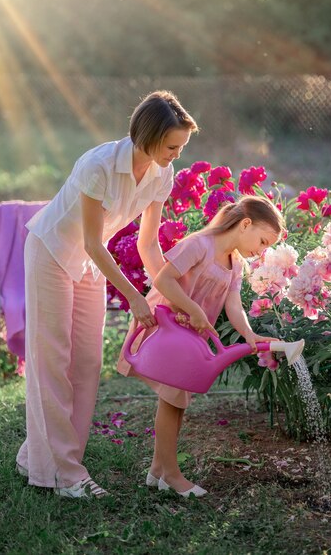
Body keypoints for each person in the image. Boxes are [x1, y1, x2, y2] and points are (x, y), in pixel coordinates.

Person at [16, 90, 198, 498]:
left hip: (88, 264)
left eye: (182, 147)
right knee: (53, 360)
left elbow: (147, 246)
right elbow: (95, 243)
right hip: (51, 252)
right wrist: (133, 297)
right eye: (172, 146)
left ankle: (43, 458)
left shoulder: (161, 174)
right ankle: (66, 474)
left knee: (87, 363)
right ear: (147, 136)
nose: (176, 155)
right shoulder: (98, 164)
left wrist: (165, 293)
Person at [117, 195, 285, 497]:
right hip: (166, 329)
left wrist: (249, 335)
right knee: (173, 399)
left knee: (177, 400)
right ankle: (170, 473)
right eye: (262, 242)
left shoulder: (235, 263)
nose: (261, 252)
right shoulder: (200, 244)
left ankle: (158, 469)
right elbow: (163, 281)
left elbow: (234, 305)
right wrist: (194, 309)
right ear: (245, 224)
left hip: (189, 336)